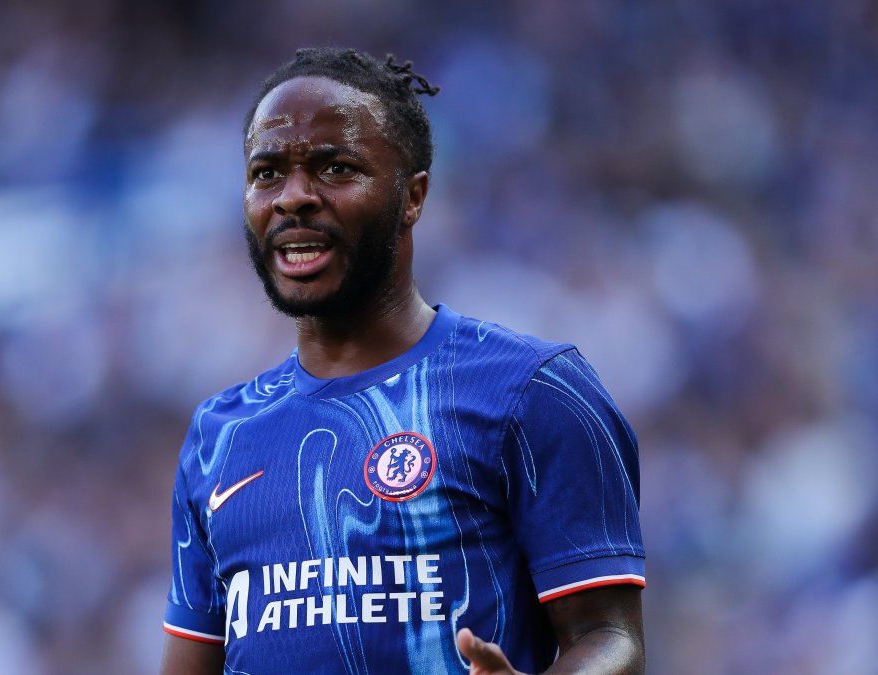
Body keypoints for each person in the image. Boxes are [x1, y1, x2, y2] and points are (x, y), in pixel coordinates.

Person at [161, 47, 645, 674]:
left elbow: (612, 637)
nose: (293, 197)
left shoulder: (530, 390)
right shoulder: (218, 436)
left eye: (336, 168)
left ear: (412, 196)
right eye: (267, 173)